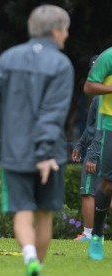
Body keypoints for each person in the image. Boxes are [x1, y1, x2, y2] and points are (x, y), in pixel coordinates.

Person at [0, 4, 73, 275]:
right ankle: (36, 265)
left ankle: (27, 254)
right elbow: (52, 115)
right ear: (55, 31)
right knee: (43, 215)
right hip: (50, 154)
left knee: (22, 212)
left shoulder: (9, 58)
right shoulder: (62, 65)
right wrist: (43, 154)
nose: (66, 36)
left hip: (15, 153)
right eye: (65, 30)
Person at [83, 43, 112, 260]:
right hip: (110, 126)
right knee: (107, 184)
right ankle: (97, 235)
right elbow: (89, 87)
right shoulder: (108, 57)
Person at [71, 55, 101, 241]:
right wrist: (80, 145)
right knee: (105, 192)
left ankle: (89, 235)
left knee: (88, 192)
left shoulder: (101, 97)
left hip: (99, 148)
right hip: (101, 146)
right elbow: (91, 127)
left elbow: (99, 129)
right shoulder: (100, 96)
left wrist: (93, 154)